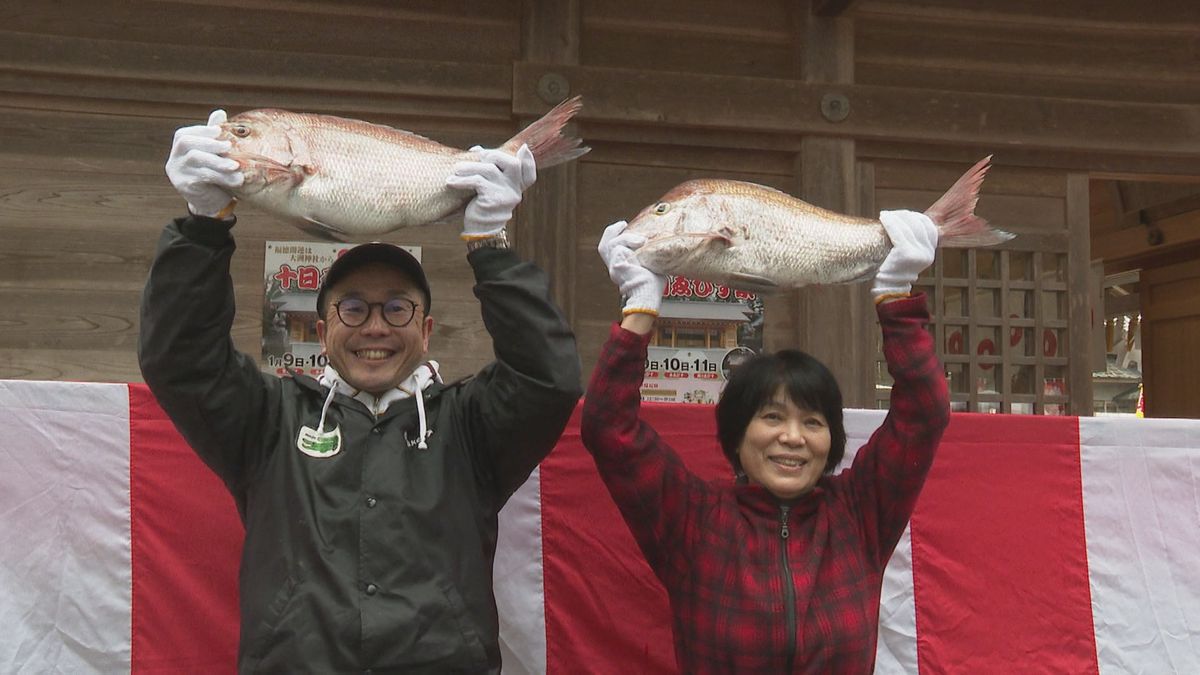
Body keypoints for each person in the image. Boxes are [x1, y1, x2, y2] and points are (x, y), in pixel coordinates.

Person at [139, 109, 582, 673]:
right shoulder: (269, 420)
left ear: (425, 331)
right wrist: (202, 225)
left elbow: (548, 376)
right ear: (322, 333)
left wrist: (490, 246)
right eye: (353, 308)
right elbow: (179, 360)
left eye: (397, 308)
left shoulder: (469, 425)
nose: (375, 327)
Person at [580, 211, 951, 673]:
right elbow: (607, 427)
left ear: (831, 440)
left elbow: (924, 412)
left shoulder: (860, 513)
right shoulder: (692, 519)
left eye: (813, 422)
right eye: (772, 417)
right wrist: (640, 307)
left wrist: (896, 298)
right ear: (737, 434)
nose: (792, 438)